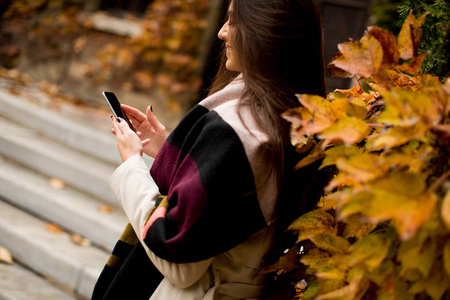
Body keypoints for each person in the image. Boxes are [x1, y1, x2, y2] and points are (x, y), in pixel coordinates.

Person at [92, 0, 329, 299]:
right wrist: (176, 154)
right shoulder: (293, 116)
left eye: (233, 21)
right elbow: (227, 209)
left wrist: (131, 163)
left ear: (264, 29)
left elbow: (178, 257)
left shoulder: (238, 130)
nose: (221, 32)